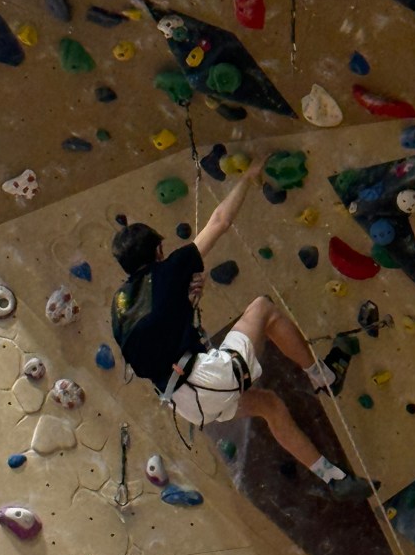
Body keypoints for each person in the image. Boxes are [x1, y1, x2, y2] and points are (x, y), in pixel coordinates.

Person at [111, 160, 377, 501]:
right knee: (263, 308)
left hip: (186, 404)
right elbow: (220, 221)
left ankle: (335, 480)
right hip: (207, 379)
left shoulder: (119, 307)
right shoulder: (168, 271)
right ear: (158, 251)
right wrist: (248, 178)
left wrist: (185, 303)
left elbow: (154, 341)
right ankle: (322, 376)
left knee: (269, 405)